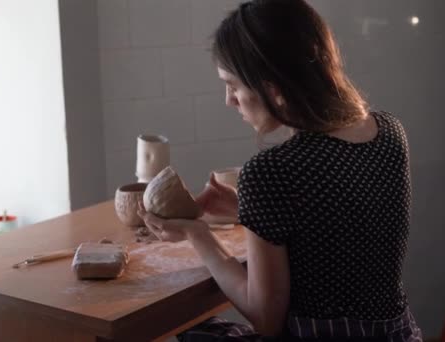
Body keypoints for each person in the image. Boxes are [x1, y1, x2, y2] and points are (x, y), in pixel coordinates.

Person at [137, 0, 422, 341]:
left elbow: (266, 318)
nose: (229, 100)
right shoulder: (390, 132)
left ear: (272, 87)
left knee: (186, 333)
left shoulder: (272, 172)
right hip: (397, 335)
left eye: (234, 86)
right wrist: (246, 209)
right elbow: (337, 228)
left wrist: (198, 234)